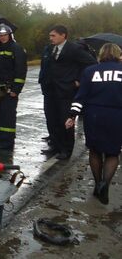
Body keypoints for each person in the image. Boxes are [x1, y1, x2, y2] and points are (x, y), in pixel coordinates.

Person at [65, 43, 122, 204]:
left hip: (94, 115)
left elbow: (81, 96)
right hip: (117, 115)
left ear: (101, 54)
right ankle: (105, 183)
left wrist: (72, 115)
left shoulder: (90, 71)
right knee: (113, 153)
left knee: (95, 151)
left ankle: (97, 185)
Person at [41, 25, 96, 159]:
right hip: (50, 90)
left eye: (53, 35)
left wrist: (79, 79)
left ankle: (66, 149)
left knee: (65, 121)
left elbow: (92, 63)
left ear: (63, 35)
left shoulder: (74, 49)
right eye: (50, 35)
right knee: (51, 119)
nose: (50, 38)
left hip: (65, 91)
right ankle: (54, 145)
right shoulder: (49, 48)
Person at [0, 23, 27, 149]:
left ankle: (7, 143)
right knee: (0, 115)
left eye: (5, 35)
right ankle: (2, 140)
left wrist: (16, 89)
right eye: (0, 36)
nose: (2, 37)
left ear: (9, 35)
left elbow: (21, 70)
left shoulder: (16, 48)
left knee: (8, 116)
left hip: (10, 89)